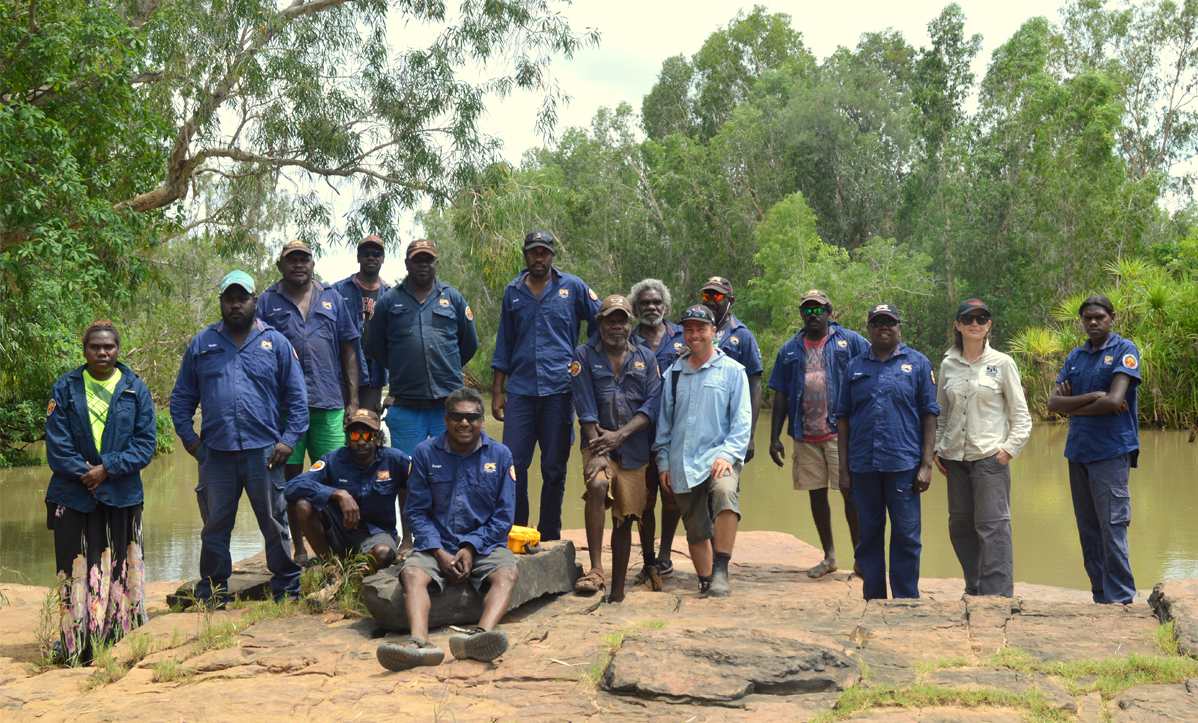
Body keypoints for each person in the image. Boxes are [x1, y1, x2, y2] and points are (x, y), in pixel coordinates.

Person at [171, 271, 307, 605]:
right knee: (214, 527)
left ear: (254, 301)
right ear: (221, 302)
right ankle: (214, 593)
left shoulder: (275, 342)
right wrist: (191, 442)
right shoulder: (203, 343)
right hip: (215, 452)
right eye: (229, 298)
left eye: (242, 298)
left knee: (275, 524)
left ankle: (287, 590)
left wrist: (288, 441)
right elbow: (181, 399)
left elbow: (298, 401)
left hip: (264, 453)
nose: (235, 305)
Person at [375, 388, 519, 671]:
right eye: (457, 416)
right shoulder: (425, 453)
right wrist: (439, 552)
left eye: (471, 417)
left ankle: (479, 638)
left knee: (508, 573)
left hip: (484, 545)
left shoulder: (501, 455)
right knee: (412, 573)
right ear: (445, 419)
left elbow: (504, 516)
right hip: (436, 545)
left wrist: (470, 547)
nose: (464, 423)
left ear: (482, 420)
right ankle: (418, 643)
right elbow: (415, 511)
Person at [45, 320, 156, 664]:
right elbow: (57, 446)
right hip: (74, 494)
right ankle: (76, 644)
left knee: (121, 567)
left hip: (121, 495)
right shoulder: (65, 387)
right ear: (85, 351)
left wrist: (107, 469)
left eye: (109, 346)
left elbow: (145, 444)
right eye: (95, 347)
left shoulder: (135, 389)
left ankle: (121, 642)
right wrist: (88, 474)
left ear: (118, 350)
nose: (102, 352)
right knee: (77, 568)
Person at [491, 230, 600, 540]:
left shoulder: (573, 287)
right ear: (525, 255)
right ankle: (518, 531)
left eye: (544, 252)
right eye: (533, 252)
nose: (539, 257)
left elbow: (601, 320)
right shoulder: (513, 292)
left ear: (553, 255)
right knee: (513, 465)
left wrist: (584, 357)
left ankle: (550, 534)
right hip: (521, 393)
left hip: (560, 391)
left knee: (554, 467)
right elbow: (504, 344)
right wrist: (498, 392)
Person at [257, 240, 361, 563]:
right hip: (284, 409)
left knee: (334, 476)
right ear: (280, 265)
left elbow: (348, 349)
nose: (298, 264)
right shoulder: (265, 302)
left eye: (304, 259)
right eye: (292, 260)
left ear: (313, 264)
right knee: (289, 479)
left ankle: (337, 546)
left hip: (328, 403)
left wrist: (353, 400)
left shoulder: (332, 298)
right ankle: (299, 549)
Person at [835, 303, 939, 601]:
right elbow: (843, 418)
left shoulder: (918, 364)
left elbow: (929, 414)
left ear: (898, 328)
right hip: (863, 467)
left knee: (906, 536)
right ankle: (875, 599)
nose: (884, 327)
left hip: (904, 465)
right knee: (869, 536)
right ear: (868, 328)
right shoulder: (855, 366)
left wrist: (927, 464)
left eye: (889, 322)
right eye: (877, 322)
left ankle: (906, 600)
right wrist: (843, 471)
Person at [934, 299, 1033, 598]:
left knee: (993, 528)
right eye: (968, 318)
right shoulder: (948, 364)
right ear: (958, 324)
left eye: (981, 318)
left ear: (989, 325)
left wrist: (1007, 451)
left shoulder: (1003, 363)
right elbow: (941, 412)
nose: (974, 323)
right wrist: (938, 448)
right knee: (961, 526)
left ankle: (997, 597)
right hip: (955, 459)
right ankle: (975, 586)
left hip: (990, 458)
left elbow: (1021, 416)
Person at [767, 290, 868, 579]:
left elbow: (872, 367)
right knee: (816, 494)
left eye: (818, 310)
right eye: (807, 311)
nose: (813, 316)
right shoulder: (789, 349)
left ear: (829, 312)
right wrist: (775, 437)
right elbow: (781, 395)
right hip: (805, 434)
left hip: (841, 432)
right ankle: (830, 557)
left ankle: (862, 559)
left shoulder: (849, 341)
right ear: (801, 314)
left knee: (851, 493)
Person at [1047, 294, 1140, 605]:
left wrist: (1073, 407)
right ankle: (1101, 596)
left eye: (1100, 316)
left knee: (1113, 527)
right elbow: (1052, 404)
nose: (1093, 322)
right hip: (1079, 451)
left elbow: (1115, 402)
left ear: (1113, 317)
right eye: (1087, 318)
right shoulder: (1075, 357)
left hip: (1111, 452)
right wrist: (1092, 397)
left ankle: (1122, 599)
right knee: (1088, 530)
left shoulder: (1125, 351)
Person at [653, 305, 752, 598]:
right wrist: (662, 464)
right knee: (695, 525)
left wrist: (728, 455)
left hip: (720, 459)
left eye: (700, 329)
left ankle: (721, 568)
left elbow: (742, 422)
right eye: (689, 330)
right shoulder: (673, 374)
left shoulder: (734, 372)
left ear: (712, 333)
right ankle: (708, 580)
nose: (694, 335)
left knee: (724, 492)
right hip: (681, 461)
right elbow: (664, 427)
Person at [571, 295, 662, 602]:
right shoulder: (583, 355)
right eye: (610, 319)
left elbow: (652, 405)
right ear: (600, 323)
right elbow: (584, 408)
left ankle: (618, 592)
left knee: (625, 516)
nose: (616, 326)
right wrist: (600, 450)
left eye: (622, 320)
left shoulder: (645, 356)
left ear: (629, 323)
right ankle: (596, 571)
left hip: (634, 448)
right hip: (598, 444)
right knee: (597, 485)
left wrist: (619, 436)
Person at [366, 238, 478, 454]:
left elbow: (469, 344)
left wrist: (448, 364)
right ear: (407, 264)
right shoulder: (389, 300)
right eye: (417, 260)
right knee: (408, 472)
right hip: (405, 404)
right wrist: (401, 365)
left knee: (448, 469)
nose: (423, 264)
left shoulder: (453, 298)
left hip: (448, 404)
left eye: (429, 259)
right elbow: (374, 346)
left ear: (437, 263)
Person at [285, 409, 409, 571]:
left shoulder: (395, 459)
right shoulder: (333, 460)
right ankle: (330, 567)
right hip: (338, 530)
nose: (361, 442)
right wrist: (338, 494)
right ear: (348, 439)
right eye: (355, 436)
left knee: (383, 553)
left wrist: (410, 539)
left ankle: (352, 576)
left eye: (368, 436)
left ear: (377, 438)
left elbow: (421, 487)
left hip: (377, 534)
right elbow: (292, 487)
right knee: (303, 505)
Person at [628, 279, 686, 586]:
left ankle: (665, 556)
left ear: (665, 306)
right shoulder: (628, 338)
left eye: (657, 302)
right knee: (645, 501)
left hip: (676, 432)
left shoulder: (682, 336)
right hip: (639, 432)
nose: (652, 307)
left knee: (672, 495)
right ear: (636, 308)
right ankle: (649, 559)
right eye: (645, 303)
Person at [699, 276, 763, 463]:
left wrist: (750, 435)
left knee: (724, 484)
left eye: (718, 297)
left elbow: (755, 386)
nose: (711, 301)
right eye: (707, 296)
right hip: (697, 426)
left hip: (729, 428)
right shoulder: (691, 332)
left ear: (730, 301)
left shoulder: (743, 335)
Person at [333, 235, 392, 414]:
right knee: (339, 432)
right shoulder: (338, 290)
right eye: (365, 253)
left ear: (382, 258)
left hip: (375, 375)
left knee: (368, 432)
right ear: (358, 257)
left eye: (376, 253)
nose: (371, 257)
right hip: (340, 376)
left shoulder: (392, 295)